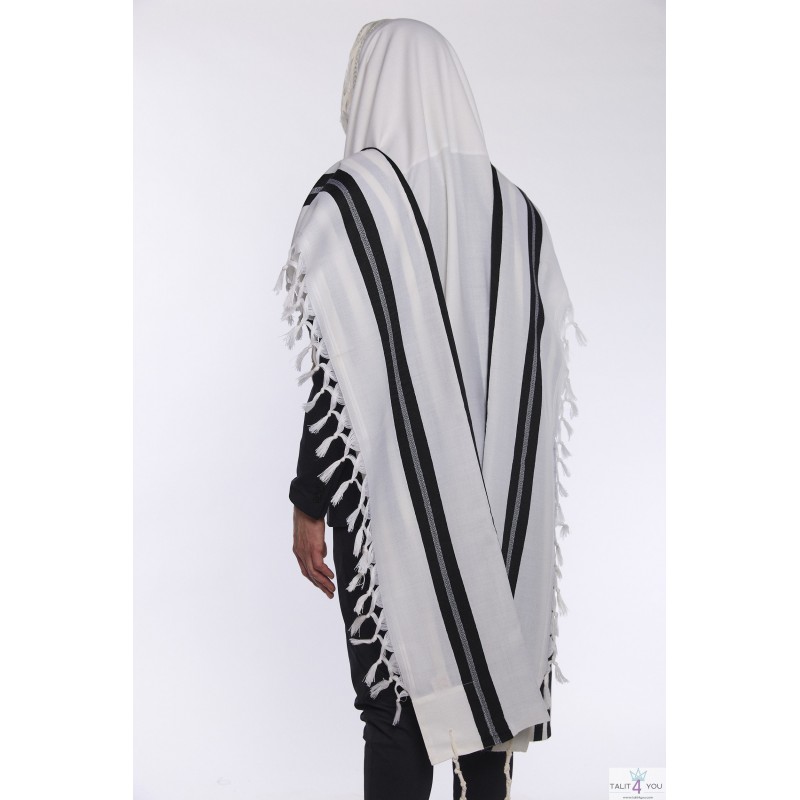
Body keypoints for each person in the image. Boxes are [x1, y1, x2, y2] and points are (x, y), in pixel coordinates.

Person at [275, 18, 586, 800]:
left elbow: (339, 376)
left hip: (390, 506)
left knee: (396, 711)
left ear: (370, 89)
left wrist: (310, 499)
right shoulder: (518, 216)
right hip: (500, 500)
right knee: (487, 700)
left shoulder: (352, 207)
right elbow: (539, 373)